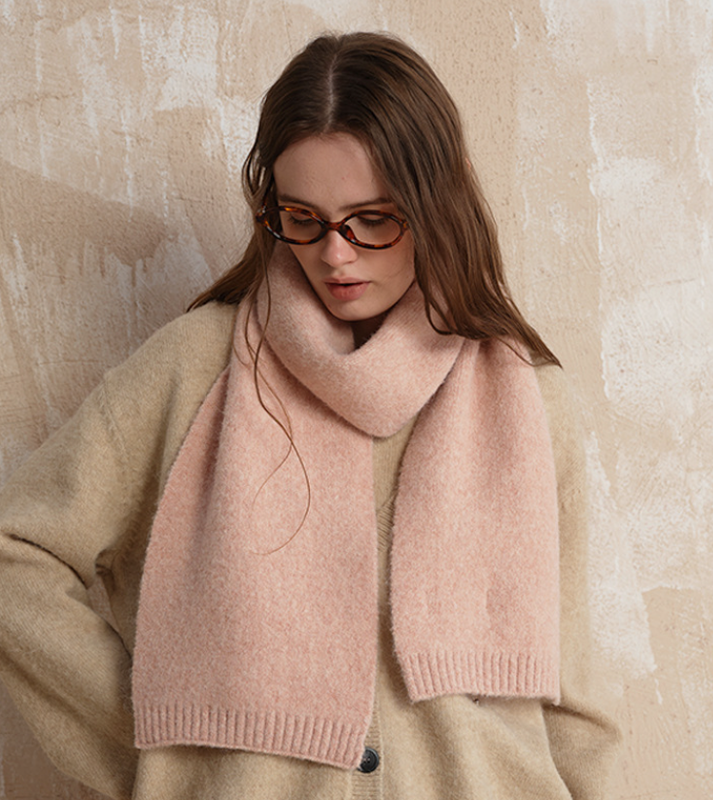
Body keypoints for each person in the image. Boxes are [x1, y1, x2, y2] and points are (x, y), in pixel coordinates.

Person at [0, 31, 619, 800]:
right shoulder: (194, 369)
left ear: (434, 206)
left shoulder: (527, 399)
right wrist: (158, 750)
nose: (335, 254)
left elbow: (569, 690)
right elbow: (14, 554)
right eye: (303, 217)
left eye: (373, 219)